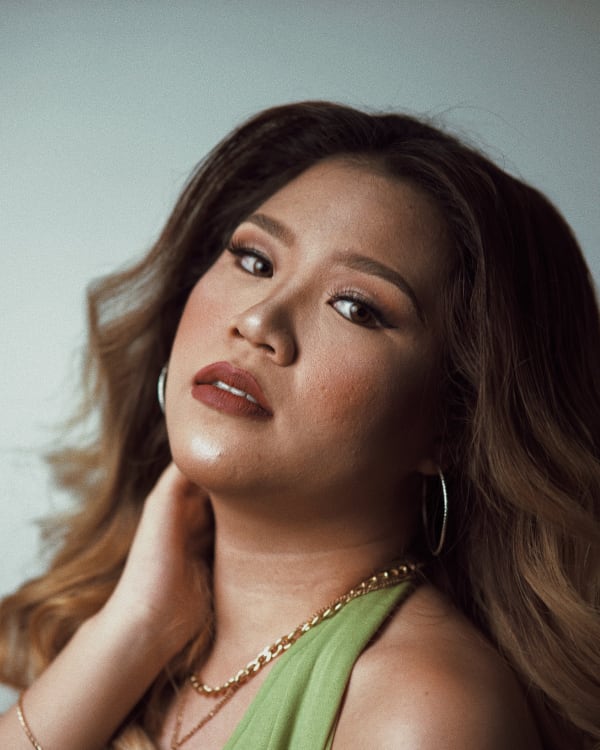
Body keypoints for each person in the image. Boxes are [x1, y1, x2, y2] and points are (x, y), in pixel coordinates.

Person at [0, 101, 598, 750]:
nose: (259, 321)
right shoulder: (130, 619)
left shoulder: (423, 715)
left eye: (356, 307)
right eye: (255, 261)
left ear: (450, 427)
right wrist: (134, 627)